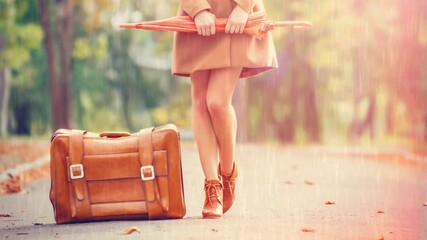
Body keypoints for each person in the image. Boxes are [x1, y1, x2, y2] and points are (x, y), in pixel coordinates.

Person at [172, 0, 278, 218]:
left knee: (217, 102)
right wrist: (198, 9)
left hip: (237, 14)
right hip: (197, 17)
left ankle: (228, 172)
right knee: (201, 101)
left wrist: (244, 7)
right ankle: (212, 185)